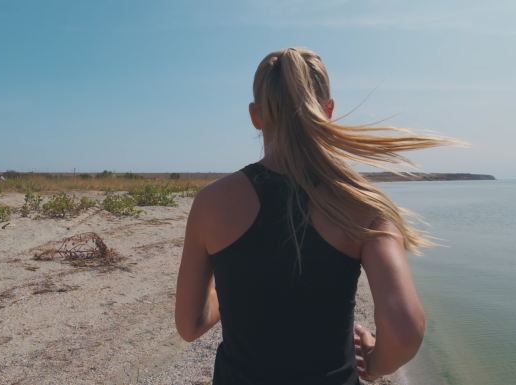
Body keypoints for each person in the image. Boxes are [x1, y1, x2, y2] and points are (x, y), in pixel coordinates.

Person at [175, 47, 458, 384]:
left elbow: (189, 326)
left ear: (255, 116)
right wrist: (375, 364)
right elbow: (405, 330)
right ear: (328, 110)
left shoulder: (212, 202)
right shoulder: (362, 203)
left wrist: (235, 285)